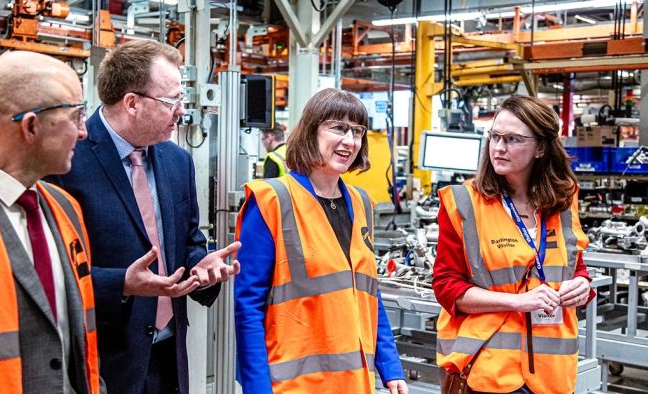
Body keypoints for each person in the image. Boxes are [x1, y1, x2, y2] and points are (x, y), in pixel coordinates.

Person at [44, 40, 240, 394]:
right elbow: (52, 272)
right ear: (132, 103)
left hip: (168, 358)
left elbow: (188, 242)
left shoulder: (176, 161)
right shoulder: (66, 162)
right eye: (171, 101)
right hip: (103, 360)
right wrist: (122, 284)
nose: (181, 111)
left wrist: (202, 267)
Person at [0, 51, 104, 393]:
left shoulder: (64, 209)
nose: (83, 132)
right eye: (76, 116)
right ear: (31, 125)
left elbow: (78, 351)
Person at [235, 88, 408, 394]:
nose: (349, 140)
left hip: (355, 383)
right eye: (338, 128)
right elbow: (248, 306)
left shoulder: (362, 203)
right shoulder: (272, 200)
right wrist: (257, 387)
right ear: (311, 131)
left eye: (357, 131)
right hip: (294, 384)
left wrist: (391, 367)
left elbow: (368, 294)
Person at [432, 95, 595, 394]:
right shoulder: (464, 203)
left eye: (512, 139)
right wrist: (516, 302)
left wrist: (583, 286)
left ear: (541, 148)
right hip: (489, 368)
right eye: (494, 136)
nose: (498, 148)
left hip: (552, 373)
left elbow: (575, 267)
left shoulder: (563, 199)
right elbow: (446, 286)